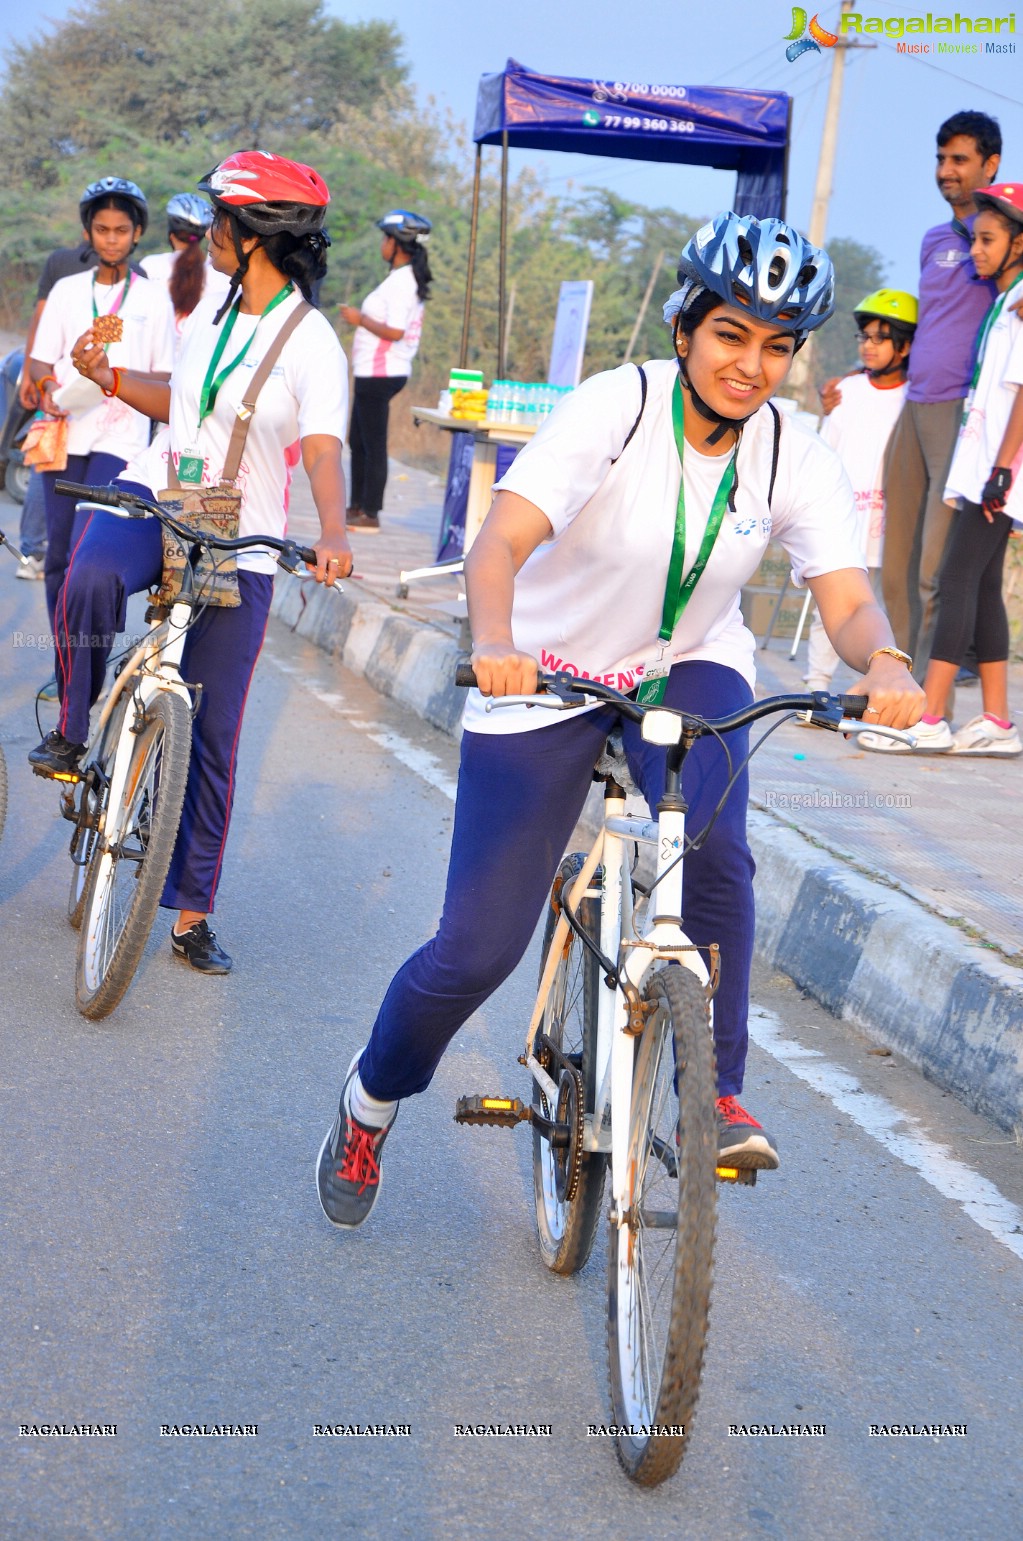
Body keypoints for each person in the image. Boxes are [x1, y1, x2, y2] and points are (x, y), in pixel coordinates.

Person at [316, 211, 925, 1230]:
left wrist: (891, 657)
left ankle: (714, 1093)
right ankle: (369, 1099)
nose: (752, 365)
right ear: (687, 328)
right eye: (733, 334)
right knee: (476, 948)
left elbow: (846, 596)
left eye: (778, 345)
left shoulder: (790, 450)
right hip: (550, 668)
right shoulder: (619, 407)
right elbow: (500, 542)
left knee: (720, 851)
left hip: (689, 665)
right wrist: (500, 641)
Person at [28, 151, 352, 972]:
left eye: (219, 222)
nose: (205, 234)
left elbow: (320, 446)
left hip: (242, 532)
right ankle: (73, 726)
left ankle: (189, 915)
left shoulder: (315, 343)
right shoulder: (210, 311)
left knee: (213, 733)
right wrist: (108, 381)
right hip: (158, 492)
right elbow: (180, 401)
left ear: (256, 235)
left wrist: (336, 531)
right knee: (89, 575)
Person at [864, 184, 1023, 757]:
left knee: (953, 581)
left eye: (988, 240)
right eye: (974, 238)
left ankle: (928, 717)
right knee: (980, 586)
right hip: (986, 468)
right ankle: (998, 721)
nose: (976, 250)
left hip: (999, 474)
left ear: (1019, 243)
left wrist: (1002, 470)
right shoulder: (1007, 302)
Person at [875, 112, 1001, 676]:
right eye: (941, 159)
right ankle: (896, 678)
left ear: (990, 165)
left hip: (961, 412)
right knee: (895, 559)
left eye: (960, 160)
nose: (946, 170)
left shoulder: (1001, 237)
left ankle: (932, 694)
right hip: (914, 406)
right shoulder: (932, 240)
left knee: (935, 568)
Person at [27, 177, 176, 628]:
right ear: (88, 231)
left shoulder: (153, 299)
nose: (111, 239)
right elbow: (38, 361)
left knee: (86, 555)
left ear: (137, 233)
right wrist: (50, 387)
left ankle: (89, 659)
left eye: (121, 230)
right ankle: (65, 665)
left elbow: (167, 375)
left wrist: (113, 378)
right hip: (66, 431)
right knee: (56, 557)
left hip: (121, 437)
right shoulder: (67, 290)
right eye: (102, 229)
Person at [804, 290, 917, 691]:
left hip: (890, 522)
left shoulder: (913, 398)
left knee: (888, 607)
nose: (868, 346)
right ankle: (816, 686)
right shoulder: (845, 391)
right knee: (833, 607)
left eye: (880, 338)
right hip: (848, 517)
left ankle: (885, 688)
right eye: (864, 337)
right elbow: (827, 451)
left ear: (904, 346)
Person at [340, 209, 432, 533]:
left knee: (372, 443)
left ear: (397, 244)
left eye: (385, 238)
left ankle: (370, 512)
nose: (382, 244)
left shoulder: (402, 283)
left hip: (381, 372)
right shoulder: (400, 279)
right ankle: (356, 507)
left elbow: (395, 331)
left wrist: (358, 318)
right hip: (373, 372)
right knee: (359, 440)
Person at [141, 193, 231, 346]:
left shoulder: (150, 266)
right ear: (205, 234)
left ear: (171, 233)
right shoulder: (220, 274)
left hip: (153, 366)